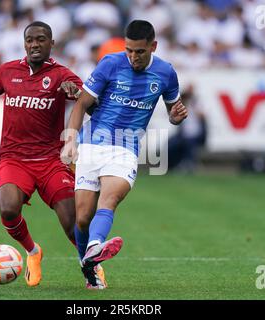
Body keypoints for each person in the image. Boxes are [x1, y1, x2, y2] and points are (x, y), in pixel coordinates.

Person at [0, 21, 106, 289]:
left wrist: (77, 94)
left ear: (51, 43)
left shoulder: (62, 75)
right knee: (8, 208)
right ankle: (33, 252)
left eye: (41, 39)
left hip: (51, 162)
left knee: (73, 223)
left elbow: (87, 104)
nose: (34, 44)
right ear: (24, 43)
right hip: (14, 160)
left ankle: (91, 267)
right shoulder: (6, 71)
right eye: (30, 40)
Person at [61, 20, 188, 288]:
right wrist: (70, 141)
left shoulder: (166, 73)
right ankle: (88, 265)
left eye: (139, 52)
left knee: (110, 198)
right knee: (82, 218)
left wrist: (176, 118)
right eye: (129, 50)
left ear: (153, 46)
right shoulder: (110, 63)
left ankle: (96, 247)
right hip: (91, 143)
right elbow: (82, 103)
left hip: (125, 147)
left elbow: (173, 112)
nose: (133, 57)